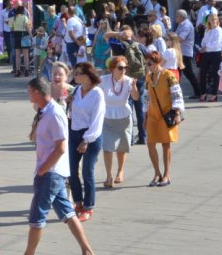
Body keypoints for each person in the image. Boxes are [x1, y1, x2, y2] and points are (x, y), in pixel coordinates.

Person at [24, 78, 94, 255]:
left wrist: (43, 170)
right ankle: (87, 250)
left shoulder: (54, 113)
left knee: (37, 217)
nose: (27, 94)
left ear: (37, 92)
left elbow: (61, 147)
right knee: (68, 213)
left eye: (29, 91)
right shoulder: (44, 110)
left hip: (50, 173)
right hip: (51, 171)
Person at [69, 63, 105, 222]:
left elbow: (97, 120)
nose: (75, 76)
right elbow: (73, 114)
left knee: (87, 171)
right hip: (74, 133)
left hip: (91, 135)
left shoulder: (97, 93)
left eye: (78, 74)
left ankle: (89, 207)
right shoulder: (77, 90)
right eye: (74, 73)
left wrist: (86, 140)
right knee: (71, 170)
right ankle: (78, 202)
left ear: (87, 75)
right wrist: (69, 102)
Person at [144, 51, 184, 187]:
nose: (148, 66)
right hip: (152, 115)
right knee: (150, 144)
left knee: (166, 144)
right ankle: (157, 173)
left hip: (166, 114)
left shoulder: (168, 75)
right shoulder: (149, 78)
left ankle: (167, 174)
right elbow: (146, 98)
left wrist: (177, 113)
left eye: (150, 63)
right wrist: (145, 116)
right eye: (147, 64)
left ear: (158, 62)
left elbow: (177, 95)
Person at [104, 25, 148, 144]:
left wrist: (118, 34)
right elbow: (148, 57)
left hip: (127, 79)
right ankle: (143, 136)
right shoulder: (139, 46)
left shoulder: (120, 46)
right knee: (140, 108)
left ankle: (130, 138)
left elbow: (106, 35)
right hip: (140, 78)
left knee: (127, 107)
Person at [100, 57, 139, 188]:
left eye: (125, 68)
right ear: (112, 69)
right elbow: (96, 94)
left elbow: (136, 97)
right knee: (107, 147)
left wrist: (134, 87)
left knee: (122, 147)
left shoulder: (128, 81)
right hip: (107, 116)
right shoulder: (104, 80)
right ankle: (109, 175)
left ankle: (120, 171)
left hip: (123, 116)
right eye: (120, 68)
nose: (123, 70)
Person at [174, 10, 201, 99]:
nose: (175, 18)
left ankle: (198, 92)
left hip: (185, 53)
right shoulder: (181, 25)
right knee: (177, 73)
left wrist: (170, 37)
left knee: (189, 73)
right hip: (180, 52)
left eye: (177, 16)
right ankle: (175, 93)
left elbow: (181, 38)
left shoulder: (186, 25)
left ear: (182, 17)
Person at [199, 13, 222, 102]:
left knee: (215, 74)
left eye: (215, 19)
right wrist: (203, 46)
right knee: (203, 72)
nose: (213, 20)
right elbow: (204, 40)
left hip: (216, 53)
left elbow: (217, 42)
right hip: (207, 53)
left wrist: (206, 46)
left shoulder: (219, 30)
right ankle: (203, 93)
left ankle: (214, 94)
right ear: (208, 20)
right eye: (211, 19)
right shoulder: (207, 30)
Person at [10, 5, 32, 77]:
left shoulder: (13, 18)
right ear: (23, 11)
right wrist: (31, 35)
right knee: (25, 54)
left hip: (16, 36)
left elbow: (11, 29)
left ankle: (18, 71)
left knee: (17, 55)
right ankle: (26, 70)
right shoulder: (24, 17)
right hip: (24, 35)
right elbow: (27, 27)